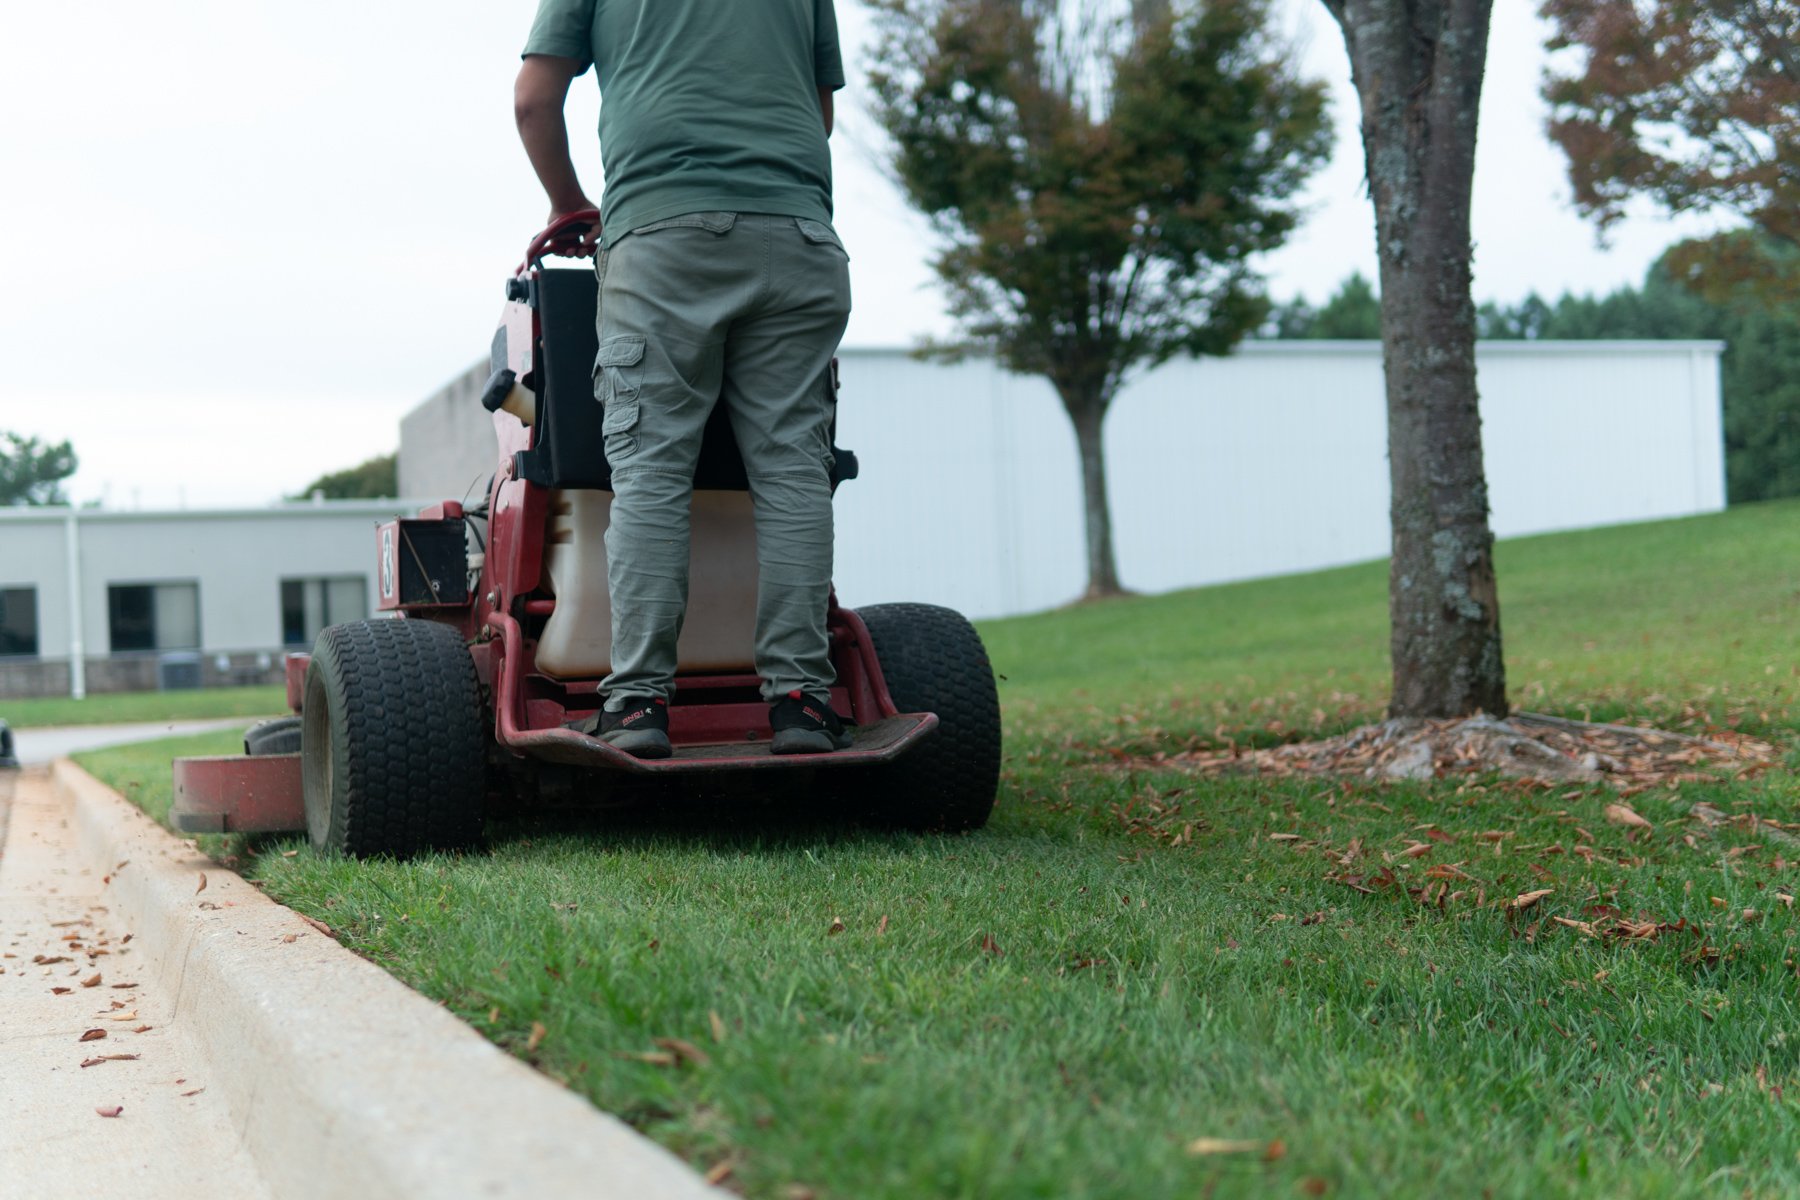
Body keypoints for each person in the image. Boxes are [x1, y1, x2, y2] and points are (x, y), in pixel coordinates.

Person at [514, 0, 853, 759]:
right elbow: (817, 110)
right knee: (796, 470)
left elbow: (534, 99)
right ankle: (801, 699)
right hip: (798, 237)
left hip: (664, 237)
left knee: (651, 472)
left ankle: (637, 703)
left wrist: (570, 203)